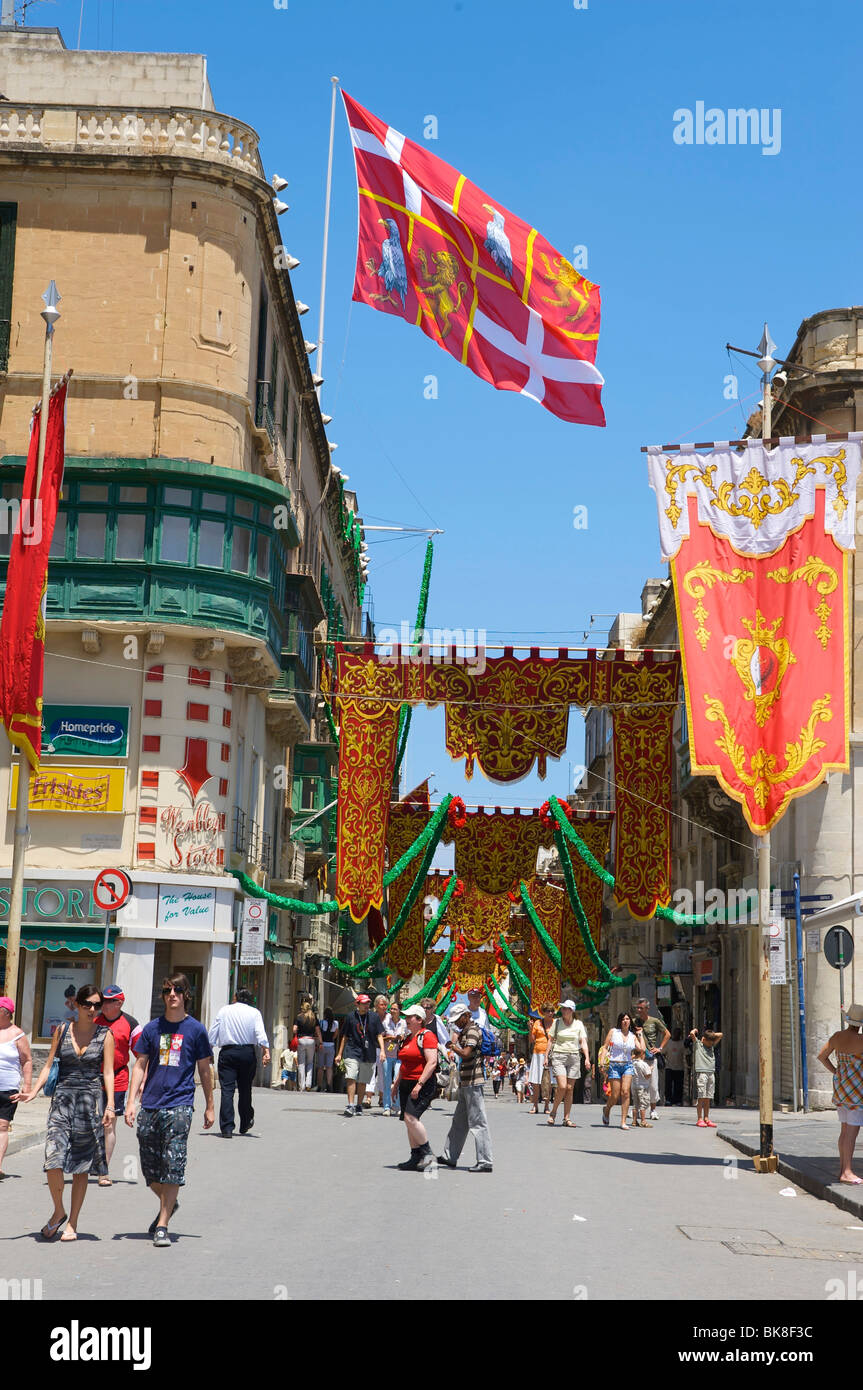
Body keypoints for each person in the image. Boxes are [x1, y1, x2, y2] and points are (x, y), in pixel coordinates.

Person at [126, 973, 214, 1247]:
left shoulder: (196, 1030)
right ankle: (169, 1203)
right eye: (167, 990)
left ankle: (162, 1224)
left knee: (173, 1163)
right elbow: (140, 1064)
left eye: (177, 989)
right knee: (151, 1169)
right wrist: (131, 1101)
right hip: (151, 1103)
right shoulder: (152, 1029)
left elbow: (204, 1068)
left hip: (180, 1103)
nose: (172, 994)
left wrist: (210, 1106)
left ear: (186, 994)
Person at [22, 985, 114, 1241]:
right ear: (77, 1004)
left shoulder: (105, 1034)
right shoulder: (62, 1031)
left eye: (98, 1005)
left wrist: (110, 1106)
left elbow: (108, 1071)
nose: (93, 1010)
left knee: (80, 1167)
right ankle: (59, 1211)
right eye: (88, 1005)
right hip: (62, 1100)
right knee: (53, 1158)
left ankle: (72, 1223)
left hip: (89, 1102)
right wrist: (32, 1091)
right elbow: (49, 1064)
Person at [437, 1002, 494, 1172]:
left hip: (473, 1082)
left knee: (478, 1122)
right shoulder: (465, 1030)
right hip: (466, 1081)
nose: (457, 1023)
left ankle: (485, 1161)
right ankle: (450, 1156)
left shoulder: (473, 1030)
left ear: (466, 1015)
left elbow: (466, 1053)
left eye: (459, 1019)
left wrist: (452, 1046)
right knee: (459, 1122)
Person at [208, 987, 271, 1137]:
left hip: (228, 1053)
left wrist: (208, 1050)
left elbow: (213, 1033)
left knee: (227, 1090)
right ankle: (245, 1122)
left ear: (235, 997)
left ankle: (227, 1127)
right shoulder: (254, 1013)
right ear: (250, 1000)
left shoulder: (224, 1010)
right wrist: (266, 1051)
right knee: (245, 1089)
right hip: (247, 1053)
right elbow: (260, 1033)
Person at [93, 984, 138, 1185]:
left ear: (119, 1003)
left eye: (108, 1001)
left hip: (118, 1079)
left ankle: (103, 1169)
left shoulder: (131, 1023)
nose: (103, 1005)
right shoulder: (94, 1019)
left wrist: (143, 1081)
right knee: (90, 1123)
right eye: (102, 1000)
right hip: (93, 1078)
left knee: (109, 1124)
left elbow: (141, 1056)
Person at [817, 1003, 863, 1184]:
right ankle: (847, 1171)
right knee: (852, 1133)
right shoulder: (861, 1040)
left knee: (844, 1131)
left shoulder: (837, 1037)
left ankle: (843, 1169)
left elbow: (822, 1056)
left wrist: (836, 1071)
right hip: (857, 1092)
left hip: (841, 1089)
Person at [393, 1004, 439, 1169]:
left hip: (422, 1084)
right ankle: (415, 1156)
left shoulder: (427, 1036)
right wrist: (396, 1083)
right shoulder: (408, 1037)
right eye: (406, 1016)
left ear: (419, 1020)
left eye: (410, 1016)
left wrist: (419, 1084)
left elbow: (432, 1062)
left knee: (411, 1117)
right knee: (409, 1120)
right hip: (406, 1083)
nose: (406, 1019)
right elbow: (404, 1064)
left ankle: (427, 1153)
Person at [335, 993, 386, 1117]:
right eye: (363, 1003)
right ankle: (351, 1105)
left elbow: (379, 1035)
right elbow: (345, 1036)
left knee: (363, 1081)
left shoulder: (374, 1017)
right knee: (351, 1077)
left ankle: (358, 1105)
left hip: (368, 1052)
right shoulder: (350, 1017)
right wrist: (339, 1054)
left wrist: (383, 1051)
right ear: (357, 1004)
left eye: (368, 1003)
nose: (366, 1005)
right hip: (352, 1050)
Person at [0, 997, 32, 1179]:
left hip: (8, 1088)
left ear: (5, 1012)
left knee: (2, 1126)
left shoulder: (17, 1034)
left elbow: (27, 1060)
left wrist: (27, 1086)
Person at [547, 1001, 592, 1128]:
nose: (563, 1010)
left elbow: (583, 1041)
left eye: (566, 1008)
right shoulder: (557, 1023)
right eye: (562, 1008)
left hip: (574, 1057)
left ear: (572, 1011)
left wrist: (587, 1058)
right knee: (562, 1086)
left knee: (570, 1089)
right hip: (559, 1055)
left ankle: (566, 1118)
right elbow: (550, 1041)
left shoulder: (578, 1024)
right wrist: (546, 1057)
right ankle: (553, 1112)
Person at [601, 1012, 641, 1130]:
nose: (625, 1021)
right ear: (620, 1021)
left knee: (625, 1092)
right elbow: (605, 1047)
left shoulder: (633, 1036)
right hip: (614, 1065)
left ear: (630, 1021)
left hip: (627, 1065)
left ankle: (623, 1121)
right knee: (615, 1095)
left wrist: (640, 1035)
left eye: (628, 1019)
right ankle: (607, 1109)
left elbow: (641, 1049)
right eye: (623, 1019)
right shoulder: (614, 1032)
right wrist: (602, 1061)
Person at [633, 997, 670, 1119]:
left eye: (641, 1008)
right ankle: (637, 1109)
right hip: (637, 1058)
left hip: (650, 1058)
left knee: (653, 1086)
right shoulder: (634, 1022)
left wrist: (660, 1048)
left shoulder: (654, 1021)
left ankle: (653, 1110)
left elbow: (667, 1034)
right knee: (637, 1085)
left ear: (647, 1009)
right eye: (637, 1008)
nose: (639, 1010)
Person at [689, 1025, 723, 1127]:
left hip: (711, 1073)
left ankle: (706, 1118)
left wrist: (711, 1036)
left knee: (708, 1097)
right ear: (704, 1039)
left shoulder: (711, 1046)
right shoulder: (698, 1045)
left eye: (712, 1042)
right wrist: (695, 1030)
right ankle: (699, 1119)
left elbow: (720, 1035)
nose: (711, 1044)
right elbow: (691, 1034)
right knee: (701, 1097)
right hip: (702, 1073)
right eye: (709, 1041)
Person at [290, 997, 321, 1094]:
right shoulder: (313, 1017)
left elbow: (294, 1029)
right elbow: (318, 1031)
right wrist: (320, 1042)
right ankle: (308, 1084)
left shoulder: (299, 1017)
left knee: (301, 1063)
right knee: (310, 1063)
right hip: (311, 1040)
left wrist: (297, 1030)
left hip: (301, 1040)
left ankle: (302, 1086)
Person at [382, 1001, 407, 1116]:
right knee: (387, 1081)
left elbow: (407, 1036)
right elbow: (380, 1037)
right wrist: (391, 1038)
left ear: (399, 1011)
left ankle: (396, 1105)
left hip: (399, 1055)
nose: (392, 1011)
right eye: (391, 1009)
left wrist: (402, 1037)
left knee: (397, 1080)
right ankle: (386, 1107)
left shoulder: (404, 1023)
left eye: (394, 1009)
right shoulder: (385, 1022)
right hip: (387, 1055)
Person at [528, 1005, 554, 1114]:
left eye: (552, 1011)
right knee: (536, 1081)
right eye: (548, 1011)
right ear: (543, 1012)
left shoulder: (556, 1023)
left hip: (550, 1055)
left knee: (548, 1081)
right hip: (538, 1053)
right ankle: (535, 1105)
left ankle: (547, 1106)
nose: (551, 1013)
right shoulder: (537, 1023)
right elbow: (531, 1040)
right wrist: (530, 1029)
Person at [366, 995, 390, 1107]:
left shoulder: (389, 1017)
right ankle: (368, 1098)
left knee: (382, 1074)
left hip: (385, 1049)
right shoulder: (371, 1016)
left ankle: (381, 1097)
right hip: (371, 1047)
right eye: (382, 1004)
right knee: (370, 1072)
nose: (384, 1006)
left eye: (385, 1004)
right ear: (376, 1005)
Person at [631, 1023, 654, 1128]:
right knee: (643, 1104)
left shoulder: (632, 1063)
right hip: (643, 1087)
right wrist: (651, 1069)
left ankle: (634, 1121)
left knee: (635, 1104)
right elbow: (647, 1075)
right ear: (641, 1054)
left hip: (634, 1086)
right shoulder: (643, 1064)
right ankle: (643, 1120)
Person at [317, 1007, 339, 1091]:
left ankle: (319, 1085)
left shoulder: (321, 1022)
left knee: (320, 1067)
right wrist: (331, 1039)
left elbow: (319, 1033)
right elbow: (335, 1035)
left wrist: (321, 1042)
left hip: (322, 1045)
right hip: (331, 1046)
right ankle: (329, 1085)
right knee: (329, 1067)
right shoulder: (335, 1023)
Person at [665, 1027, 685, 1106]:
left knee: (678, 1085)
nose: (676, 1035)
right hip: (669, 1067)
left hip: (679, 1068)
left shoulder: (682, 1043)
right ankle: (668, 1100)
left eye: (678, 1033)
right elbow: (663, 1052)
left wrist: (689, 1065)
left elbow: (687, 1054)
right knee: (668, 1085)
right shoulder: (668, 1043)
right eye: (675, 1033)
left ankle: (677, 1100)